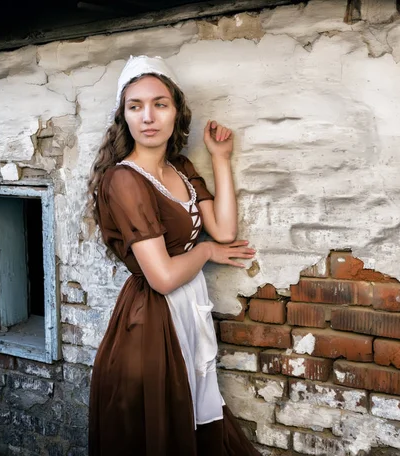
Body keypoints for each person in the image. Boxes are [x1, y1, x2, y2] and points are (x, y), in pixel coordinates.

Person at [86, 55, 260, 456]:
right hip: (151, 324)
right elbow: (162, 276)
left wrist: (220, 158)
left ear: (176, 112)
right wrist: (208, 252)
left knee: (196, 429)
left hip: (188, 311)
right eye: (136, 106)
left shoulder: (179, 167)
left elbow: (225, 229)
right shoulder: (123, 180)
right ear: (124, 117)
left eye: (160, 104)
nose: (148, 116)